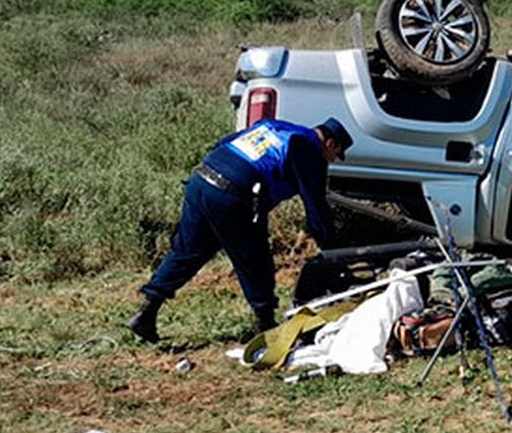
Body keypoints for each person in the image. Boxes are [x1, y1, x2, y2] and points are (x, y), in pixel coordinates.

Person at [127, 117, 354, 343]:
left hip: (203, 179)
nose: (332, 161)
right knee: (255, 260)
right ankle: (265, 325)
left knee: (187, 251)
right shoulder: (307, 149)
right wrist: (334, 253)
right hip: (234, 193)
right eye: (336, 156)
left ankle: (147, 311)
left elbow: (224, 143)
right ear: (330, 144)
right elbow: (315, 207)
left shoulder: (276, 127)